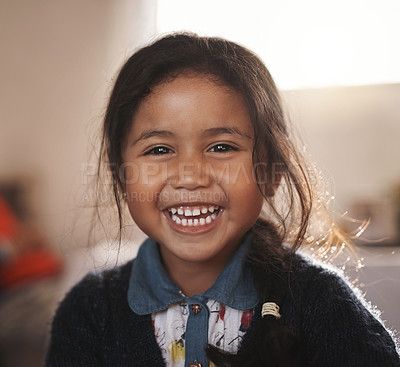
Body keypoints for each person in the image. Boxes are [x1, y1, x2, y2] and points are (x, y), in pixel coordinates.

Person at [45, 33, 400, 367]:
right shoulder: (90, 311)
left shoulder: (320, 301)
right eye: (158, 149)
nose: (190, 176)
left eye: (221, 147)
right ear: (122, 177)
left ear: (272, 171)